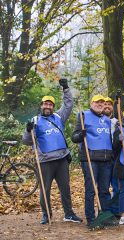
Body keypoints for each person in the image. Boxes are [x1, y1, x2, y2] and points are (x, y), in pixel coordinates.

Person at [22, 78, 82, 224]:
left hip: (61, 159)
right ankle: (46, 215)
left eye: (50, 104)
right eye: (45, 104)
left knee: (65, 189)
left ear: (53, 106)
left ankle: (69, 214)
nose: (47, 106)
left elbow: (68, 105)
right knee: (45, 189)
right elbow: (26, 141)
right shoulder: (35, 121)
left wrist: (66, 89)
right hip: (45, 161)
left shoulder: (58, 117)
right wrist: (28, 130)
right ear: (41, 105)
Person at [71, 95, 113, 226]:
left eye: (102, 102)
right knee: (91, 189)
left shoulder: (107, 120)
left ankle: (104, 215)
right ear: (92, 103)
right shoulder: (84, 115)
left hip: (106, 159)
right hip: (90, 158)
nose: (100, 104)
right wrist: (80, 135)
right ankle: (91, 218)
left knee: (104, 190)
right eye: (97, 102)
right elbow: (74, 137)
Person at [103, 97, 120, 216]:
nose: (107, 106)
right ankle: (105, 210)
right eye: (105, 104)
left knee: (116, 186)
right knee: (104, 187)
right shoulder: (97, 120)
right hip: (102, 157)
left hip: (115, 157)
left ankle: (115, 209)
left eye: (109, 104)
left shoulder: (117, 122)